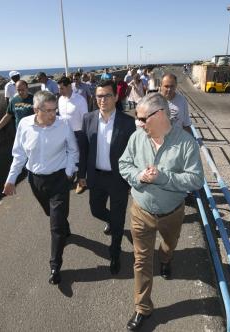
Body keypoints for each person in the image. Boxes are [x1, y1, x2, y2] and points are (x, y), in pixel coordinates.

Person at [118, 92, 204, 331]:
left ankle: (166, 259)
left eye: (143, 118)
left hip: (172, 214)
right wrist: (138, 176)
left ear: (161, 115)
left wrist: (163, 177)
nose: (139, 123)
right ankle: (142, 308)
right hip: (141, 212)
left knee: (169, 245)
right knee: (141, 260)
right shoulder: (137, 138)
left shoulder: (186, 143)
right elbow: (124, 165)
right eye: (137, 118)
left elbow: (196, 180)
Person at [2, 90, 79, 285]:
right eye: (49, 111)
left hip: (59, 179)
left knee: (55, 226)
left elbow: (73, 149)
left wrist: (69, 172)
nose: (54, 114)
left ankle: (55, 265)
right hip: (35, 181)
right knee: (52, 215)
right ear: (36, 109)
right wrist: (11, 179)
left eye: (55, 110)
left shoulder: (63, 125)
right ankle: (64, 224)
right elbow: (19, 155)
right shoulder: (24, 125)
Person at [78, 80, 135, 275]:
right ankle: (115, 222)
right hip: (96, 177)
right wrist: (81, 175)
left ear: (116, 97)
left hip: (118, 178)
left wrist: (133, 179)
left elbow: (134, 152)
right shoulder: (88, 119)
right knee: (96, 210)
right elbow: (83, 149)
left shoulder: (127, 123)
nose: (102, 100)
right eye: (99, 96)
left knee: (118, 217)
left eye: (107, 95)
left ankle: (115, 253)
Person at [57, 76, 88, 194]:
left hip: (78, 132)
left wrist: (84, 136)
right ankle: (71, 176)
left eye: (62, 88)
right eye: (59, 89)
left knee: (80, 158)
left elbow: (85, 119)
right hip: (64, 133)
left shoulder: (80, 100)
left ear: (69, 86)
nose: (60, 91)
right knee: (67, 156)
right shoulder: (60, 99)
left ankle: (81, 182)